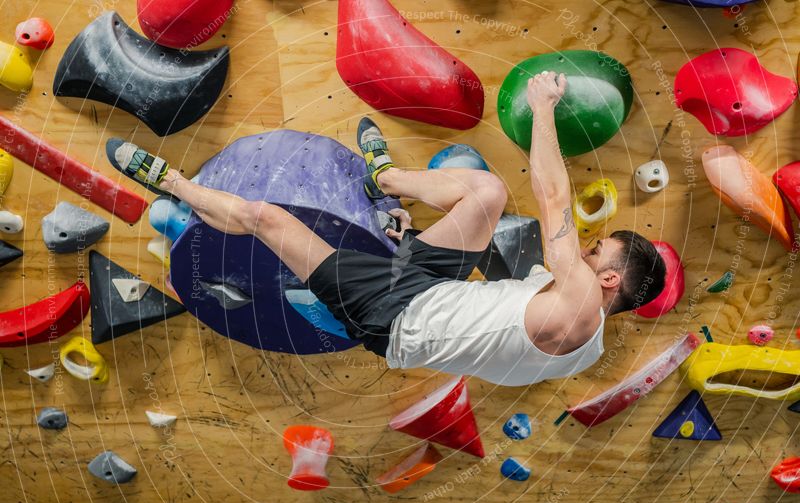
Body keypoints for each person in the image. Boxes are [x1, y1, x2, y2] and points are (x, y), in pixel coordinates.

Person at [107, 71, 666, 387]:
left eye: (597, 251)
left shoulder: (577, 302)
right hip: (433, 289)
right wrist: (423, 247)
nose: (586, 252)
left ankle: (172, 184)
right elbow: (495, 325)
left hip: (393, 316)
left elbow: (552, 194)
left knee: (267, 218)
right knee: (488, 192)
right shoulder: (585, 345)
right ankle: (385, 178)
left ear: (611, 280)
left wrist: (543, 106)